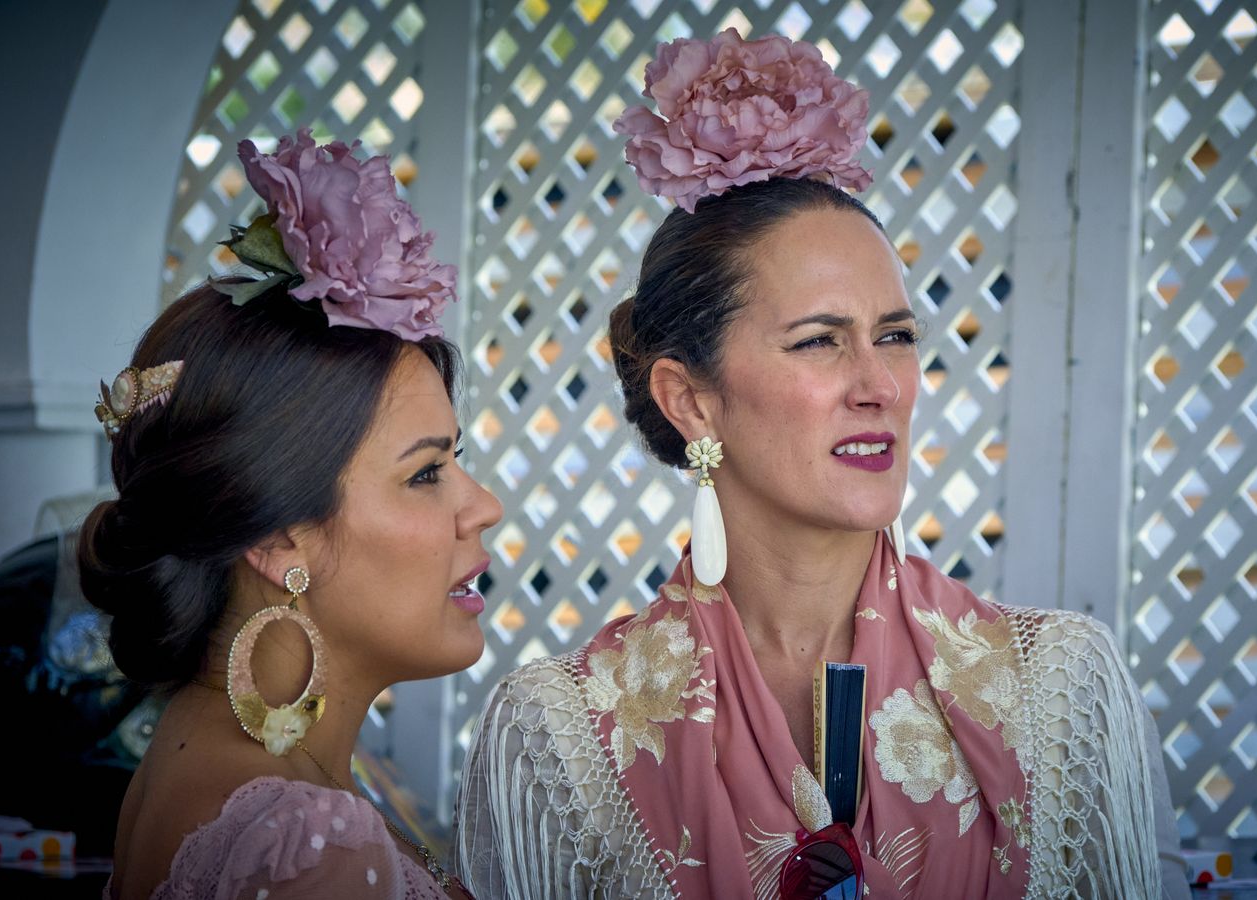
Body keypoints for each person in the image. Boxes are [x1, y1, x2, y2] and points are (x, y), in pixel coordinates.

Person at [455, 29, 1187, 899]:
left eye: (896, 337)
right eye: (819, 342)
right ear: (690, 399)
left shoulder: (1063, 692)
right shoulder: (560, 736)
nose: (880, 384)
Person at [84, 131, 501, 898]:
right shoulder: (310, 847)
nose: (483, 507)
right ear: (278, 537)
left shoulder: (193, 753)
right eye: (427, 473)